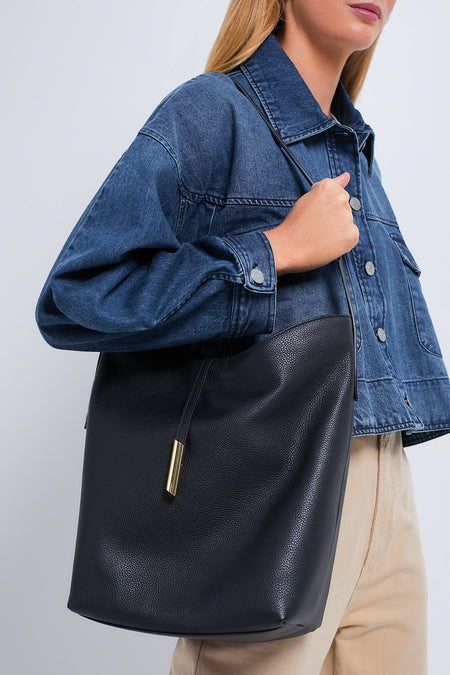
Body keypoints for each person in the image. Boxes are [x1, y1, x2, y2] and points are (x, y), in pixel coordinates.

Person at [35, 0, 450, 673]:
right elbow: (76, 296)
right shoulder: (211, 113)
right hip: (274, 487)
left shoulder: (352, 146)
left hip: (387, 492)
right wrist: (274, 249)